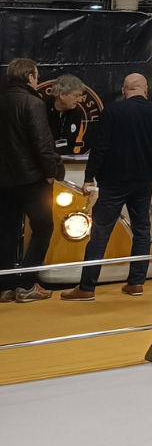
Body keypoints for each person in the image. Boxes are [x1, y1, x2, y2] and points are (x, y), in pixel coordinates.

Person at [60, 74, 152, 301]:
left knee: (100, 232)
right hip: (144, 182)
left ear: (124, 90)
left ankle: (86, 287)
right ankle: (136, 283)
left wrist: (89, 177)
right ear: (145, 90)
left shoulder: (112, 112)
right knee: (142, 231)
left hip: (112, 182)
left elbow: (100, 148)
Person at [0, 58, 63, 303]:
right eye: (36, 75)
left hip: (4, 182)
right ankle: (27, 284)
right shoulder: (33, 102)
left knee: (5, 232)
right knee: (43, 228)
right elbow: (42, 144)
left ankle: (5, 287)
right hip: (32, 179)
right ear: (30, 77)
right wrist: (51, 172)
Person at [44, 74, 90, 156]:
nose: (79, 100)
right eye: (76, 96)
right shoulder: (42, 109)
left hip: (67, 160)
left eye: (80, 96)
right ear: (62, 95)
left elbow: (71, 141)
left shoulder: (77, 112)